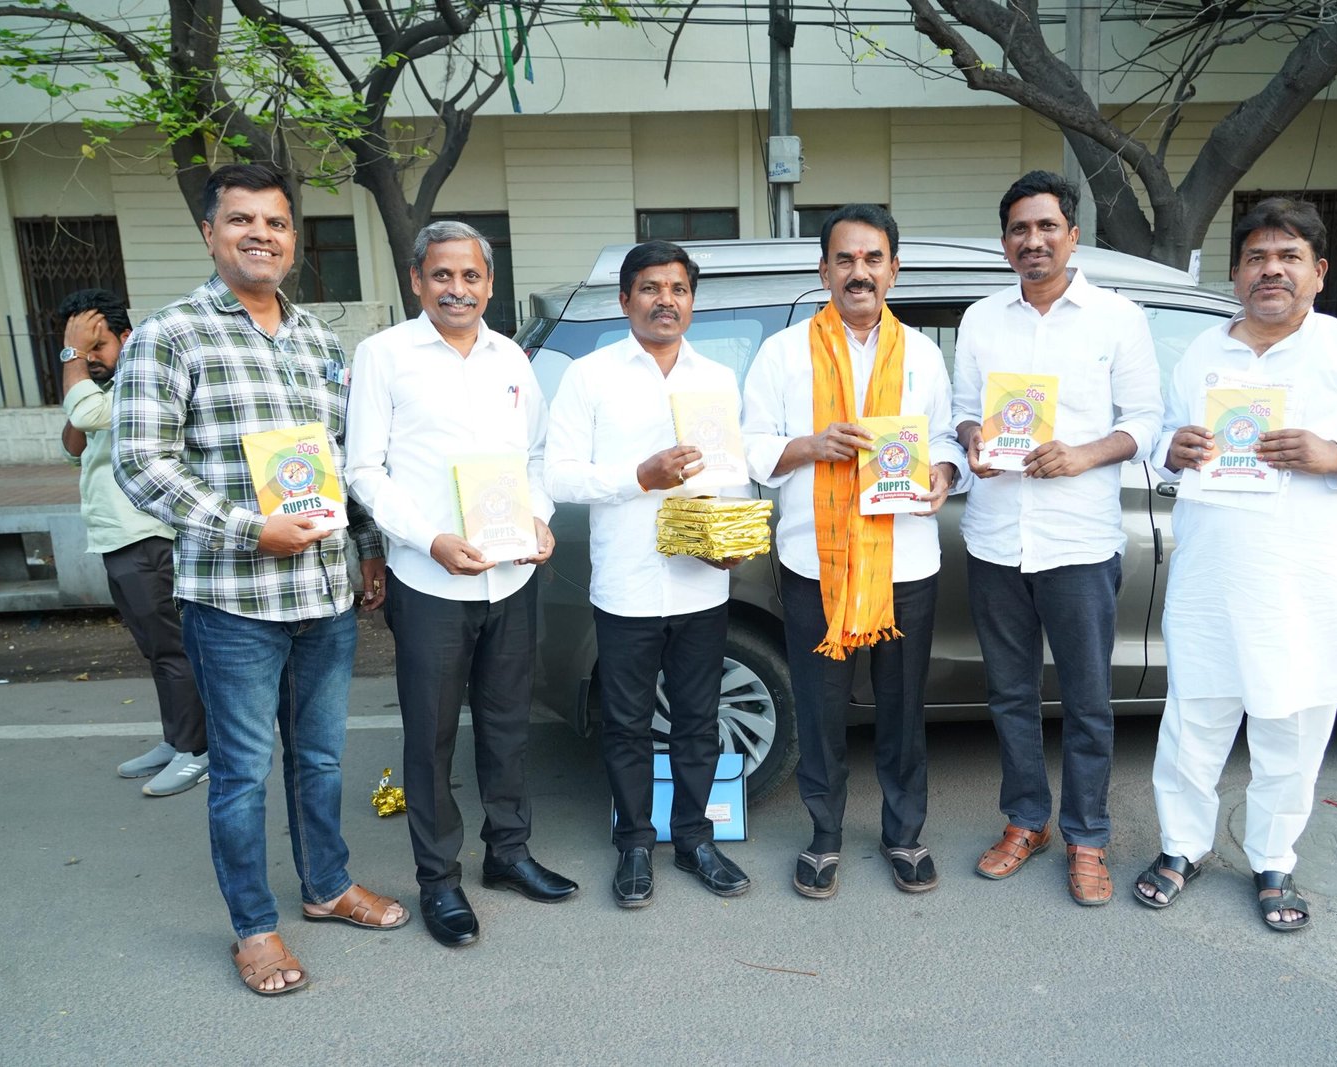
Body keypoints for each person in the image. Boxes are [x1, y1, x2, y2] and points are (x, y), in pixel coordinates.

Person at [113, 163, 407, 996]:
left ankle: (326, 886)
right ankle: (253, 926)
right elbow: (140, 462)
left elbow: (344, 460)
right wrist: (250, 528)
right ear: (210, 232)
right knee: (241, 772)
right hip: (233, 600)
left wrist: (368, 545)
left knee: (320, 758)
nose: (261, 235)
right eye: (241, 220)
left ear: (293, 239)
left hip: (324, 595)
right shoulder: (171, 335)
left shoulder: (319, 340)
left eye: (276, 223)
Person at [1134, 197, 1337, 931]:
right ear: (1237, 273)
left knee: (1290, 732)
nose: (1271, 270)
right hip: (1210, 579)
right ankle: (1181, 848)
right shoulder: (1203, 353)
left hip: (1301, 585)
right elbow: (1166, 442)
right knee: (1193, 726)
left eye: (1288, 257)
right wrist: (1172, 449)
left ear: (1318, 272)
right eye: (1257, 258)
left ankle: (1273, 860)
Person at [346, 221, 574, 947]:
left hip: (509, 578)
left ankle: (508, 852)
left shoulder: (512, 358)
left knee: (508, 726)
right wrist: (428, 539)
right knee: (432, 736)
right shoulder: (384, 356)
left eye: (471, 276)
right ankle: (439, 879)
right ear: (417, 280)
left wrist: (538, 518)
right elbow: (364, 469)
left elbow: (535, 455)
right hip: (429, 580)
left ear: (490, 283)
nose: (457, 289)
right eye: (442, 275)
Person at [742, 205, 964, 899]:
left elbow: (944, 439)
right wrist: (811, 445)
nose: (859, 272)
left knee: (902, 707)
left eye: (872, 259)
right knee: (819, 707)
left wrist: (943, 472)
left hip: (906, 561)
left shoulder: (922, 355)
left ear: (894, 269)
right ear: (824, 271)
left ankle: (904, 833)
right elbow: (752, 445)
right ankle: (824, 833)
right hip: (816, 562)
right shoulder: (784, 353)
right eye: (845, 259)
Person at [953, 171, 1162, 905]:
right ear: (1004, 241)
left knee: (1088, 700)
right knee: (1010, 695)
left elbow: (1146, 422)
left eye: (1047, 227)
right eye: (1020, 229)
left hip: (1078, 541)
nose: (1033, 240)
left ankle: (1088, 836)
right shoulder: (981, 319)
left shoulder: (1117, 318)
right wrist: (973, 439)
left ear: (1073, 235)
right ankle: (1026, 821)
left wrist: (1082, 454)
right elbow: (962, 411)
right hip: (996, 538)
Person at [545, 240, 752, 909]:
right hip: (628, 582)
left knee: (697, 719)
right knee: (627, 722)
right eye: (651, 288)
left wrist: (730, 542)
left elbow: (731, 475)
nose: (667, 300)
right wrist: (639, 476)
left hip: (701, 580)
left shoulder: (716, 378)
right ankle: (634, 842)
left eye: (678, 288)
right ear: (625, 299)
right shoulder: (590, 376)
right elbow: (559, 475)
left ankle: (694, 839)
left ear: (692, 300)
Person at [57, 289, 210, 797]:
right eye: (80, 348)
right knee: (155, 651)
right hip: (116, 537)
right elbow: (74, 444)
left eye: (96, 346)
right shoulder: (104, 385)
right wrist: (84, 374)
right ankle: (177, 740)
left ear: (127, 337)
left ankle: (198, 751)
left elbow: (87, 419)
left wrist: (73, 361)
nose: (88, 358)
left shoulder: (144, 378)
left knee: (173, 650)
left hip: (147, 536)